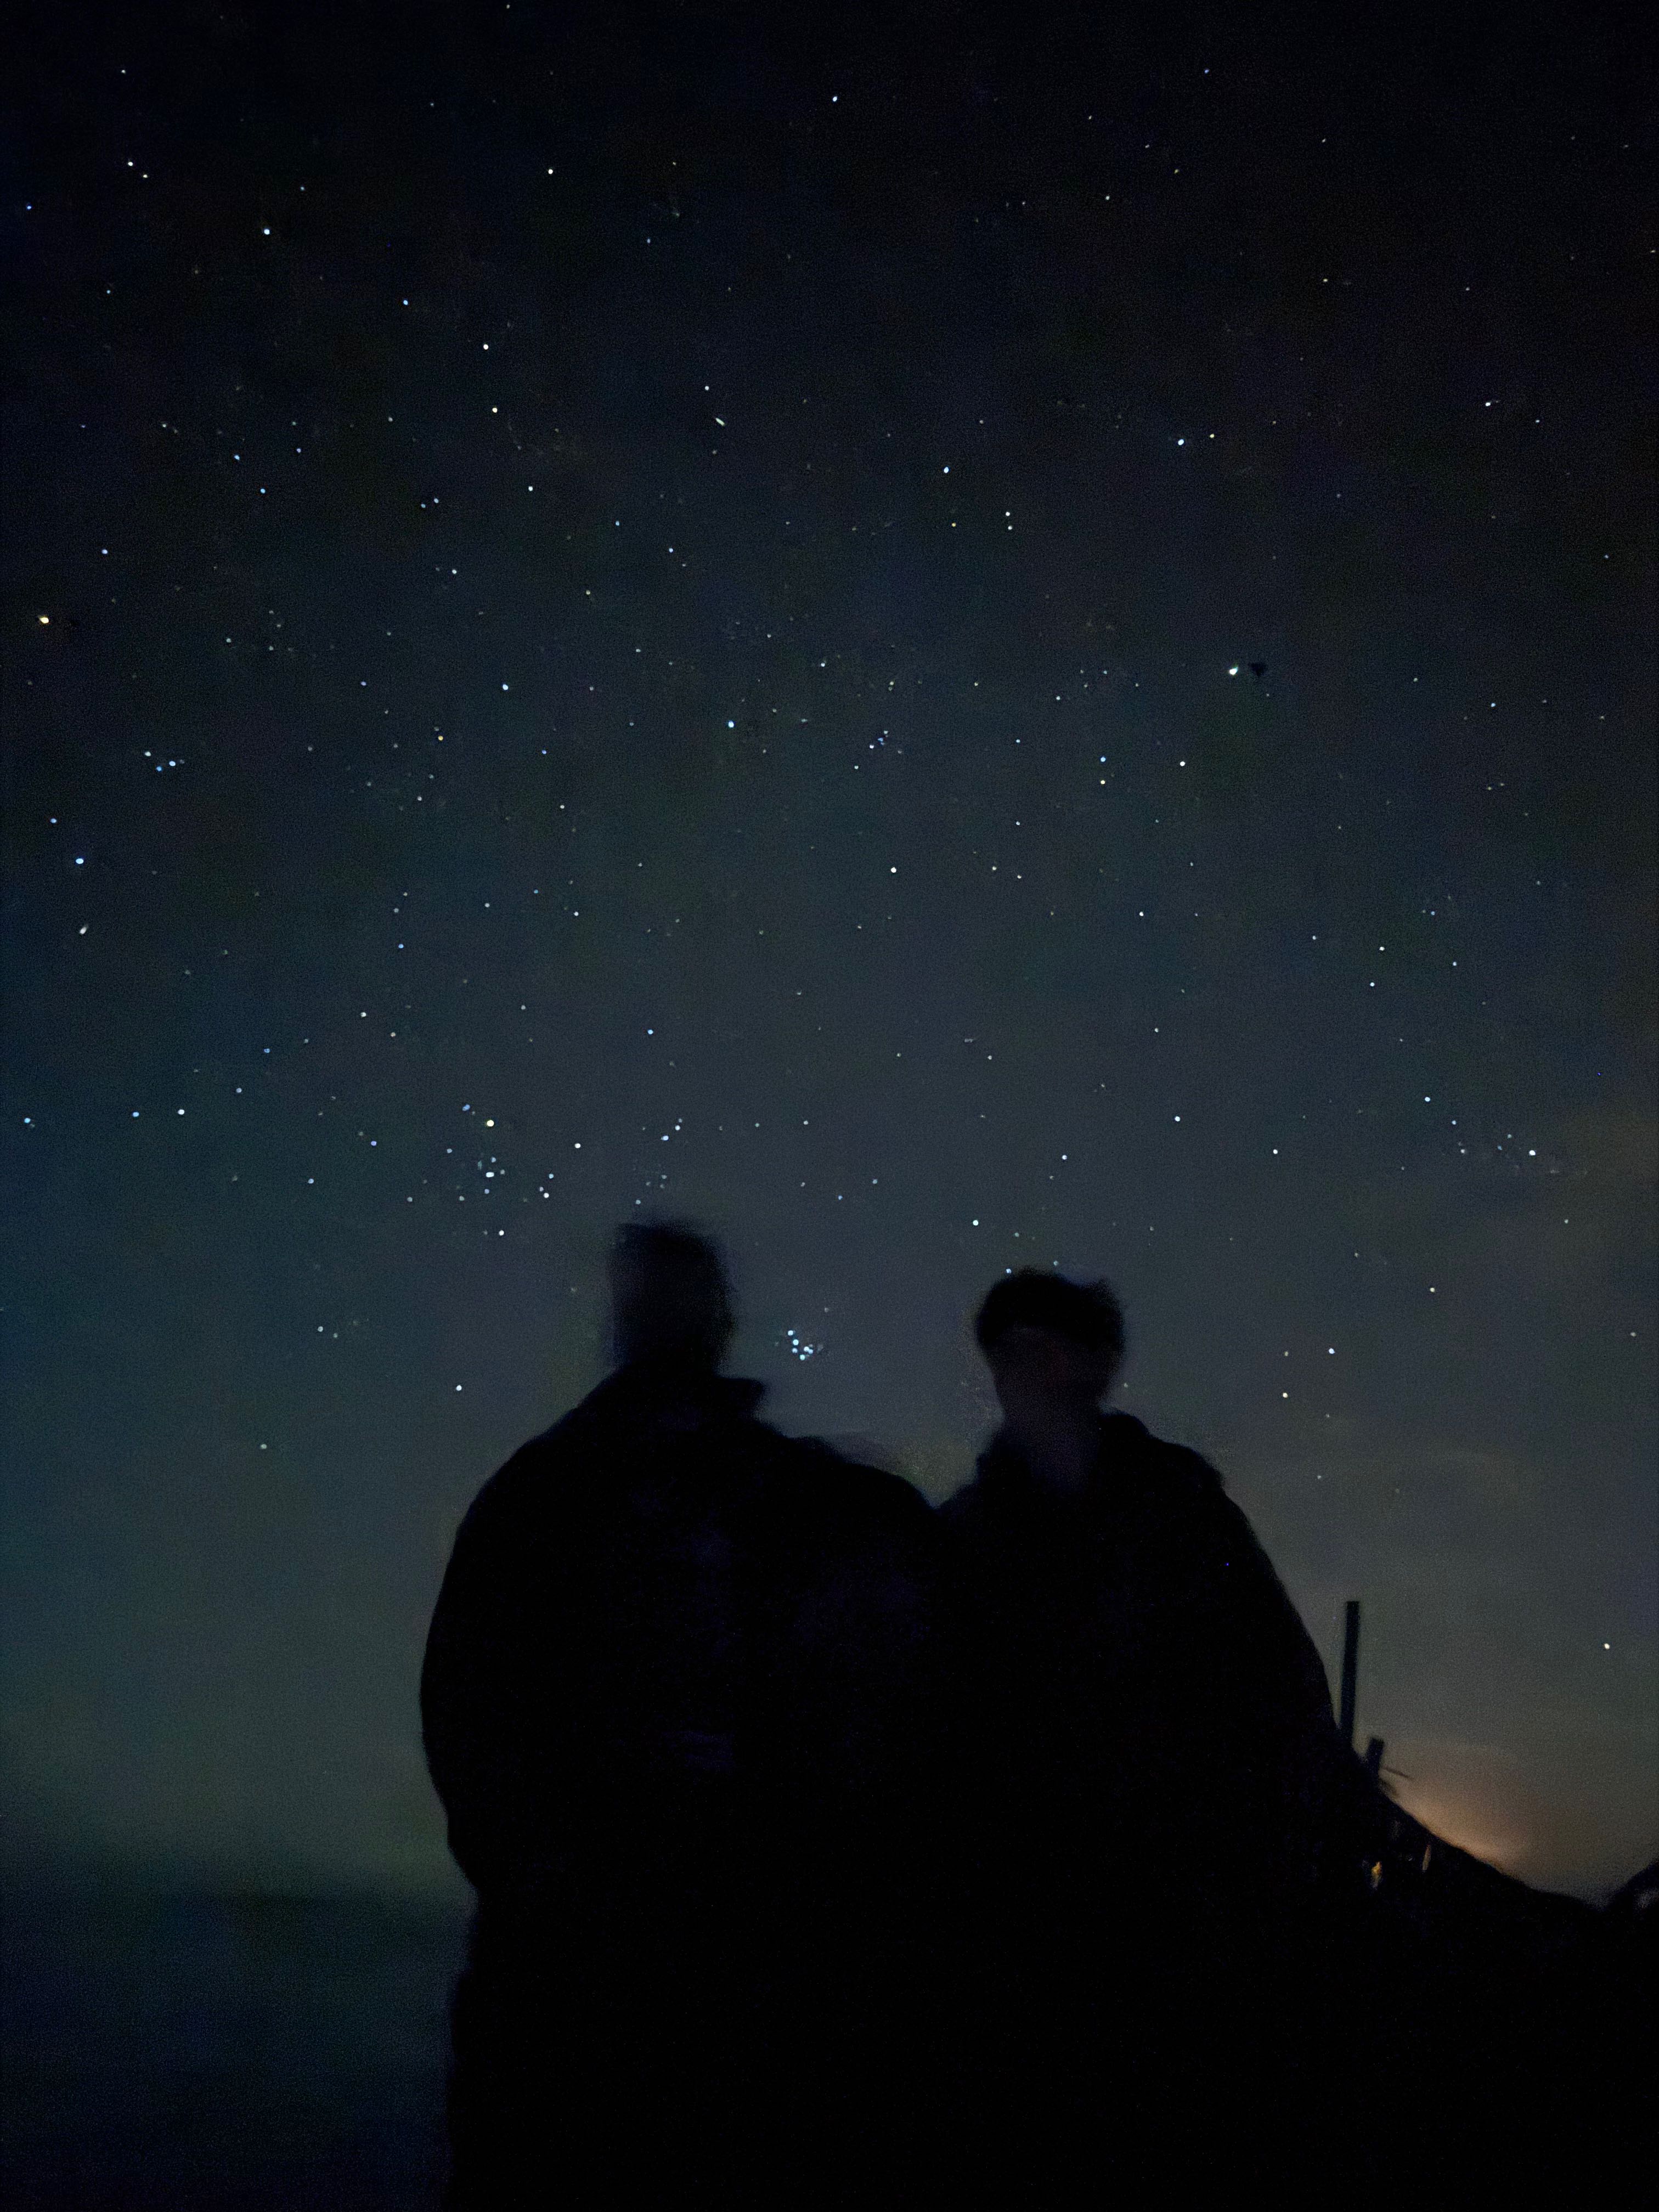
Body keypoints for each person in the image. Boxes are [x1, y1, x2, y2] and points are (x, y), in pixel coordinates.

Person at [421, 1223, 936, 2208]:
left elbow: (468, 1718)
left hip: (671, 1977)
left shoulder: (554, 1491)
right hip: (623, 1979)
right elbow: (472, 1718)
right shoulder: (560, 1495)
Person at [934, 1269, 1378, 2192]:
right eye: (1009, 1351)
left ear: (1091, 1363)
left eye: (1044, 1347)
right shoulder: (963, 1542)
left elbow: (1278, 1678)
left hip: (1191, 1910)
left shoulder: (1181, 1510)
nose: (1024, 1371)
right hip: (1031, 1922)